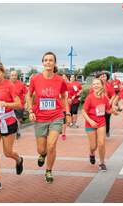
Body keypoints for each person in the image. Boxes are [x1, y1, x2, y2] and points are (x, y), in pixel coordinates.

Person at [27, 52, 70, 183]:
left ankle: (49, 170)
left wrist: (67, 113)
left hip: (56, 117)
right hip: (40, 117)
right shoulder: (35, 79)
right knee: (41, 149)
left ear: (54, 63)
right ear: (43, 63)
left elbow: (63, 97)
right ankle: (42, 154)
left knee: (51, 145)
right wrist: (30, 110)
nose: (48, 62)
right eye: (46, 60)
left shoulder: (60, 80)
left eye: (51, 60)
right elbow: (29, 95)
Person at [0, 62, 24, 192]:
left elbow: (19, 104)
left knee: (7, 152)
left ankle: (18, 159)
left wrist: (5, 104)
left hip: (8, 122)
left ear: (3, 73)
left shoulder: (9, 85)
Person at [82, 79, 115, 172]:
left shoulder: (104, 98)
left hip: (101, 123)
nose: (95, 85)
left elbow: (108, 110)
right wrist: (90, 121)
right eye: (94, 84)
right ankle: (91, 153)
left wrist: (113, 111)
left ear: (101, 85)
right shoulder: (89, 97)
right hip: (90, 124)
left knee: (101, 143)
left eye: (97, 84)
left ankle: (102, 163)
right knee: (93, 146)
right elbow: (83, 111)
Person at [95, 71, 116, 138]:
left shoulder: (109, 85)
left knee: (106, 119)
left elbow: (113, 94)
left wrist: (110, 101)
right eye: (101, 76)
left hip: (107, 107)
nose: (103, 77)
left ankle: (107, 131)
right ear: (99, 78)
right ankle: (99, 133)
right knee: (98, 119)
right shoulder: (96, 85)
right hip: (98, 106)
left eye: (104, 76)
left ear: (107, 77)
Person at [10, 70, 28, 139]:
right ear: (10, 76)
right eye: (12, 75)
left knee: (18, 119)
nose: (14, 77)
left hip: (19, 105)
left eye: (15, 75)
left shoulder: (21, 84)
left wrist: (26, 103)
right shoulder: (7, 84)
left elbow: (27, 93)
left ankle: (18, 131)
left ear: (17, 76)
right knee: (10, 118)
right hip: (9, 104)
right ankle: (11, 131)